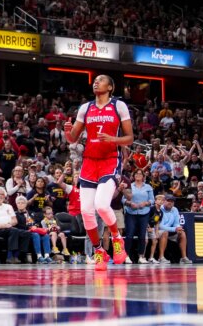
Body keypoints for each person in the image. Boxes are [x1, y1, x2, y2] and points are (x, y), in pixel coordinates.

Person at [64, 75, 134, 270]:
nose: (96, 82)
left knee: (102, 205)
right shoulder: (85, 108)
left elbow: (129, 138)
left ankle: (117, 238)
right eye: (94, 80)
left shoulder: (118, 106)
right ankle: (98, 250)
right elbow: (72, 139)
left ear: (110, 87)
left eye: (101, 80)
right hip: (89, 162)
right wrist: (67, 131)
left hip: (110, 160)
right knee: (86, 211)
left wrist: (113, 139)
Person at [0, 187, 26, 264]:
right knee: (14, 231)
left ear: (5, 196)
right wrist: (4, 226)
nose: (0, 196)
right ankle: (9, 257)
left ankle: (18, 255)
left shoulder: (9, 206)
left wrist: (9, 225)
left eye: (2, 194)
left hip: (9, 228)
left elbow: (15, 220)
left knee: (26, 233)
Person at [123, 169, 154, 263]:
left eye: (140, 173)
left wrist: (145, 203)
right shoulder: (129, 186)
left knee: (142, 235)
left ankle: (141, 256)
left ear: (143, 176)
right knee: (129, 235)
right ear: (133, 175)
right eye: (136, 173)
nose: (138, 175)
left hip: (144, 213)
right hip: (131, 213)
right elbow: (123, 200)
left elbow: (152, 200)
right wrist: (129, 203)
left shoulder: (148, 187)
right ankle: (126, 256)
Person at [157, 195, 192, 264]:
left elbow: (176, 223)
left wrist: (178, 228)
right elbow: (160, 226)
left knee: (182, 233)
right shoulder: (159, 209)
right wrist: (174, 229)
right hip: (159, 231)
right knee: (165, 232)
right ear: (164, 201)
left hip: (171, 230)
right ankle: (161, 257)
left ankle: (184, 257)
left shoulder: (175, 209)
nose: (170, 203)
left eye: (172, 201)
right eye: (168, 201)